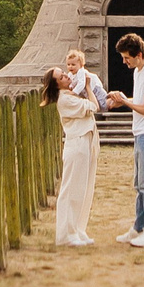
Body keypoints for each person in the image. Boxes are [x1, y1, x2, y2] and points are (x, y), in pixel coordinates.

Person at [108, 33, 144, 247]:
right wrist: (121, 100)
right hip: (141, 132)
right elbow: (141, 101)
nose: (124, 62)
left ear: (139, 55)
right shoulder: (139, 72)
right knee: (139, 183)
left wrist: (125, 102)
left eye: (127, 58)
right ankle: (139, 227)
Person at [48, 66, 98, 246]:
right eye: (62, 76)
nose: (67, 76)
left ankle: (77, 229)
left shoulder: (70, 96)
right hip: (76, 143)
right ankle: (65, 234)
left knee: (84, 188)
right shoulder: (65, 100)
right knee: (72, 190)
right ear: (58, 84)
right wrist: (88, 88)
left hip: (84, 141)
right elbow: (94, 106)